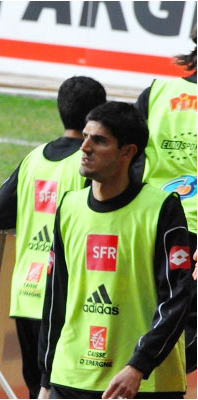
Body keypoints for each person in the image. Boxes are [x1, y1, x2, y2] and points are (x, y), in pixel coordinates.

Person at [38, 102, 192, 399]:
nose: (84, 147)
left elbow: (177, 298)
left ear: (127, 152)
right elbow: (55, 297)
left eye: (99, 140)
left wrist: (138, 366)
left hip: (142, 383)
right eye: (85, 136)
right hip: (71, 378)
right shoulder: (69, 206)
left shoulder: (162, 209)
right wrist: (46, 377)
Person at [0, 76, 106, 398]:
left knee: (36, 385)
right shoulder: (89, 165)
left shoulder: (33, 159)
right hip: (67, 298)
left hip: (26, 294)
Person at [134, 27, 197, 373]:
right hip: (189, 233)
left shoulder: (157, 92)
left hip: (151, 225)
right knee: (182, 331)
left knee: (149, 316)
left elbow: (127, 159)